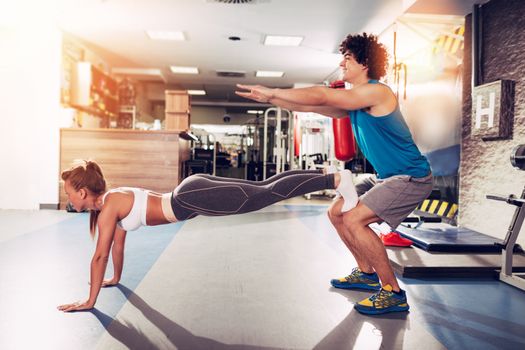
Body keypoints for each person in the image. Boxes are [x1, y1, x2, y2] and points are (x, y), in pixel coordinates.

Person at [236, 32, 432, 315]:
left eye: (348, 58)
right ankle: (366, 273)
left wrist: (273, 91)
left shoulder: (378, 92)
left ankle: (392, 292)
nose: (343, 63)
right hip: (387, 176)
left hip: (411, 177)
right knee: (336, 212)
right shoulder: (355, 103)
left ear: (364, 63)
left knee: (354, 219)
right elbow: (313, 104)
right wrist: (274, 101)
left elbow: (323, 93)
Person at [57, 160, 358, 312]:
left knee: (264, 194)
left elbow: (100, 255)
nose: (69, 199)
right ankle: (326, 174)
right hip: (190, 191)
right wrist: (115, 279)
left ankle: (333, 179)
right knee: (265, 186)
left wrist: (89, 300)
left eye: (69, 193)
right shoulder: (111, 202)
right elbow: (117, 248)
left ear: (83, 192)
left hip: (189, 198)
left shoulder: (109, 206)